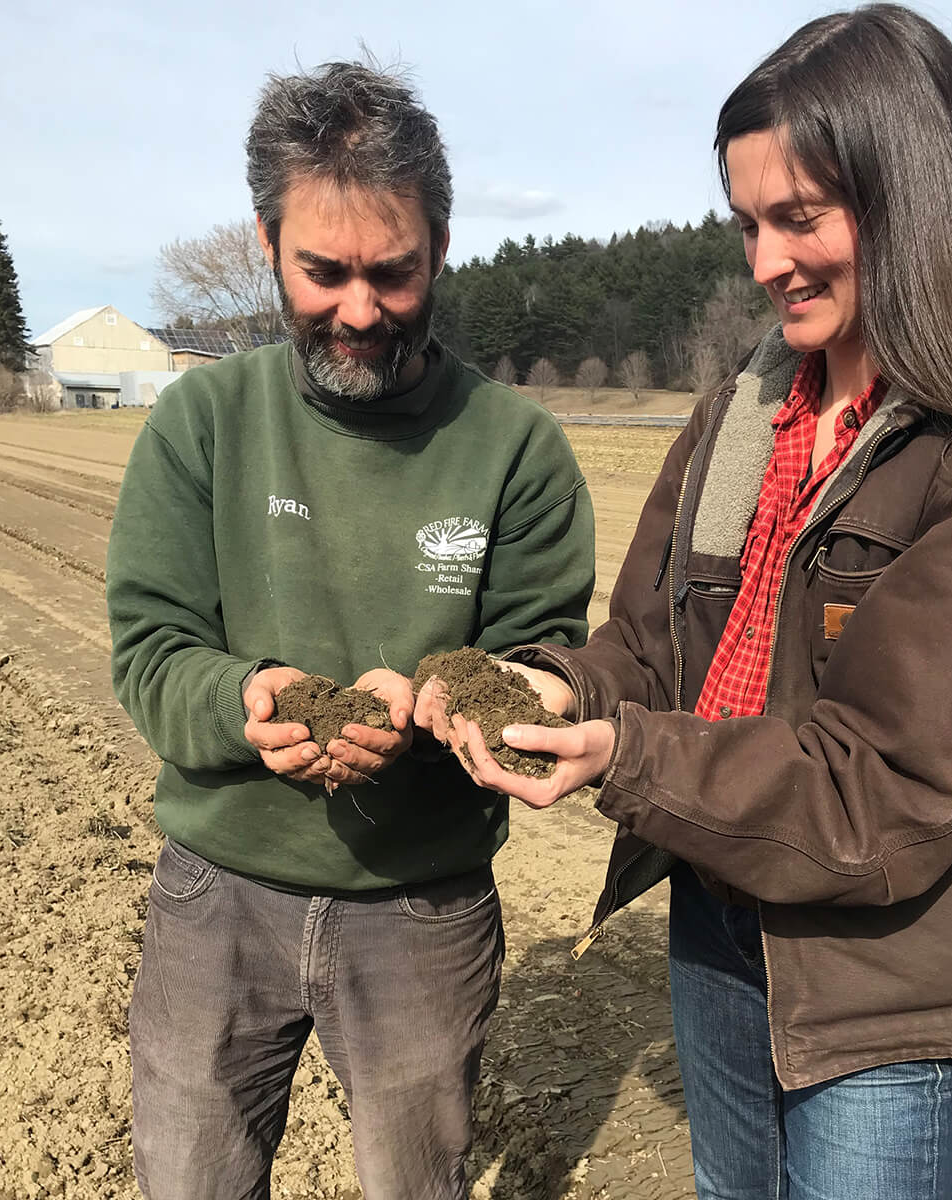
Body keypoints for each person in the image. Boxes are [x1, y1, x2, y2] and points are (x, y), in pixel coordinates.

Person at [421, 7, 952, 1197]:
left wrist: (627, 759)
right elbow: (654, 648)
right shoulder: (740, 419)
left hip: (882, 980)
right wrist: (558, 686)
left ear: (912, 199)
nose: (766, 262)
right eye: (749, 224)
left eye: (800, 217)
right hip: (721, 924)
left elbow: (888, 784)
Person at [105, 61, 594, 1200]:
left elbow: (538, 661)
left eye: (395, 273)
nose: (361, 311)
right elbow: (152, 650)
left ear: (441, 249)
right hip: (216, 890)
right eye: (324, 272)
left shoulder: (515, 448)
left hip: (424, 910)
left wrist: (450, 706)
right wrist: (252, 701)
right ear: (268, 242)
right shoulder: (203, 423)